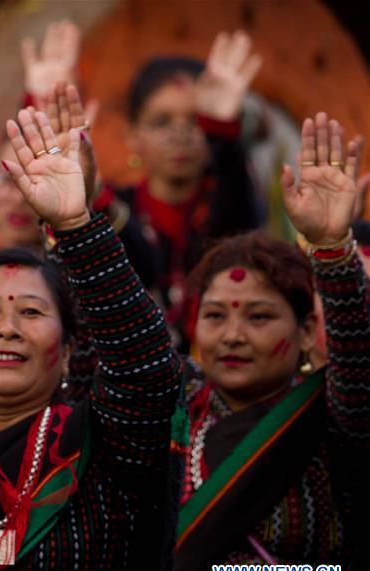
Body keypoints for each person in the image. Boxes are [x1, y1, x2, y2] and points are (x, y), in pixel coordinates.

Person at [0, 107, 183, 571]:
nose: (7, 329)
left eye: (31, 313)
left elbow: (148, 368)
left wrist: (75, 224)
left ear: (71, 351)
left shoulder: (104, 448)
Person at [174, 112, 369, 571]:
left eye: (259, 318)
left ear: (306, 332)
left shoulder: (334, 419)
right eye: (216, 316)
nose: (233, 335)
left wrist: (331, 249)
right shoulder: (175, 413)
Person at [100, 31, 264, 345]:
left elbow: (235, 224)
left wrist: (221, 131)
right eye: (161, 121)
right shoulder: (110, 207)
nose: (180, 135)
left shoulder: (232, 204)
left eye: (194, 121)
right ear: (133, 134)